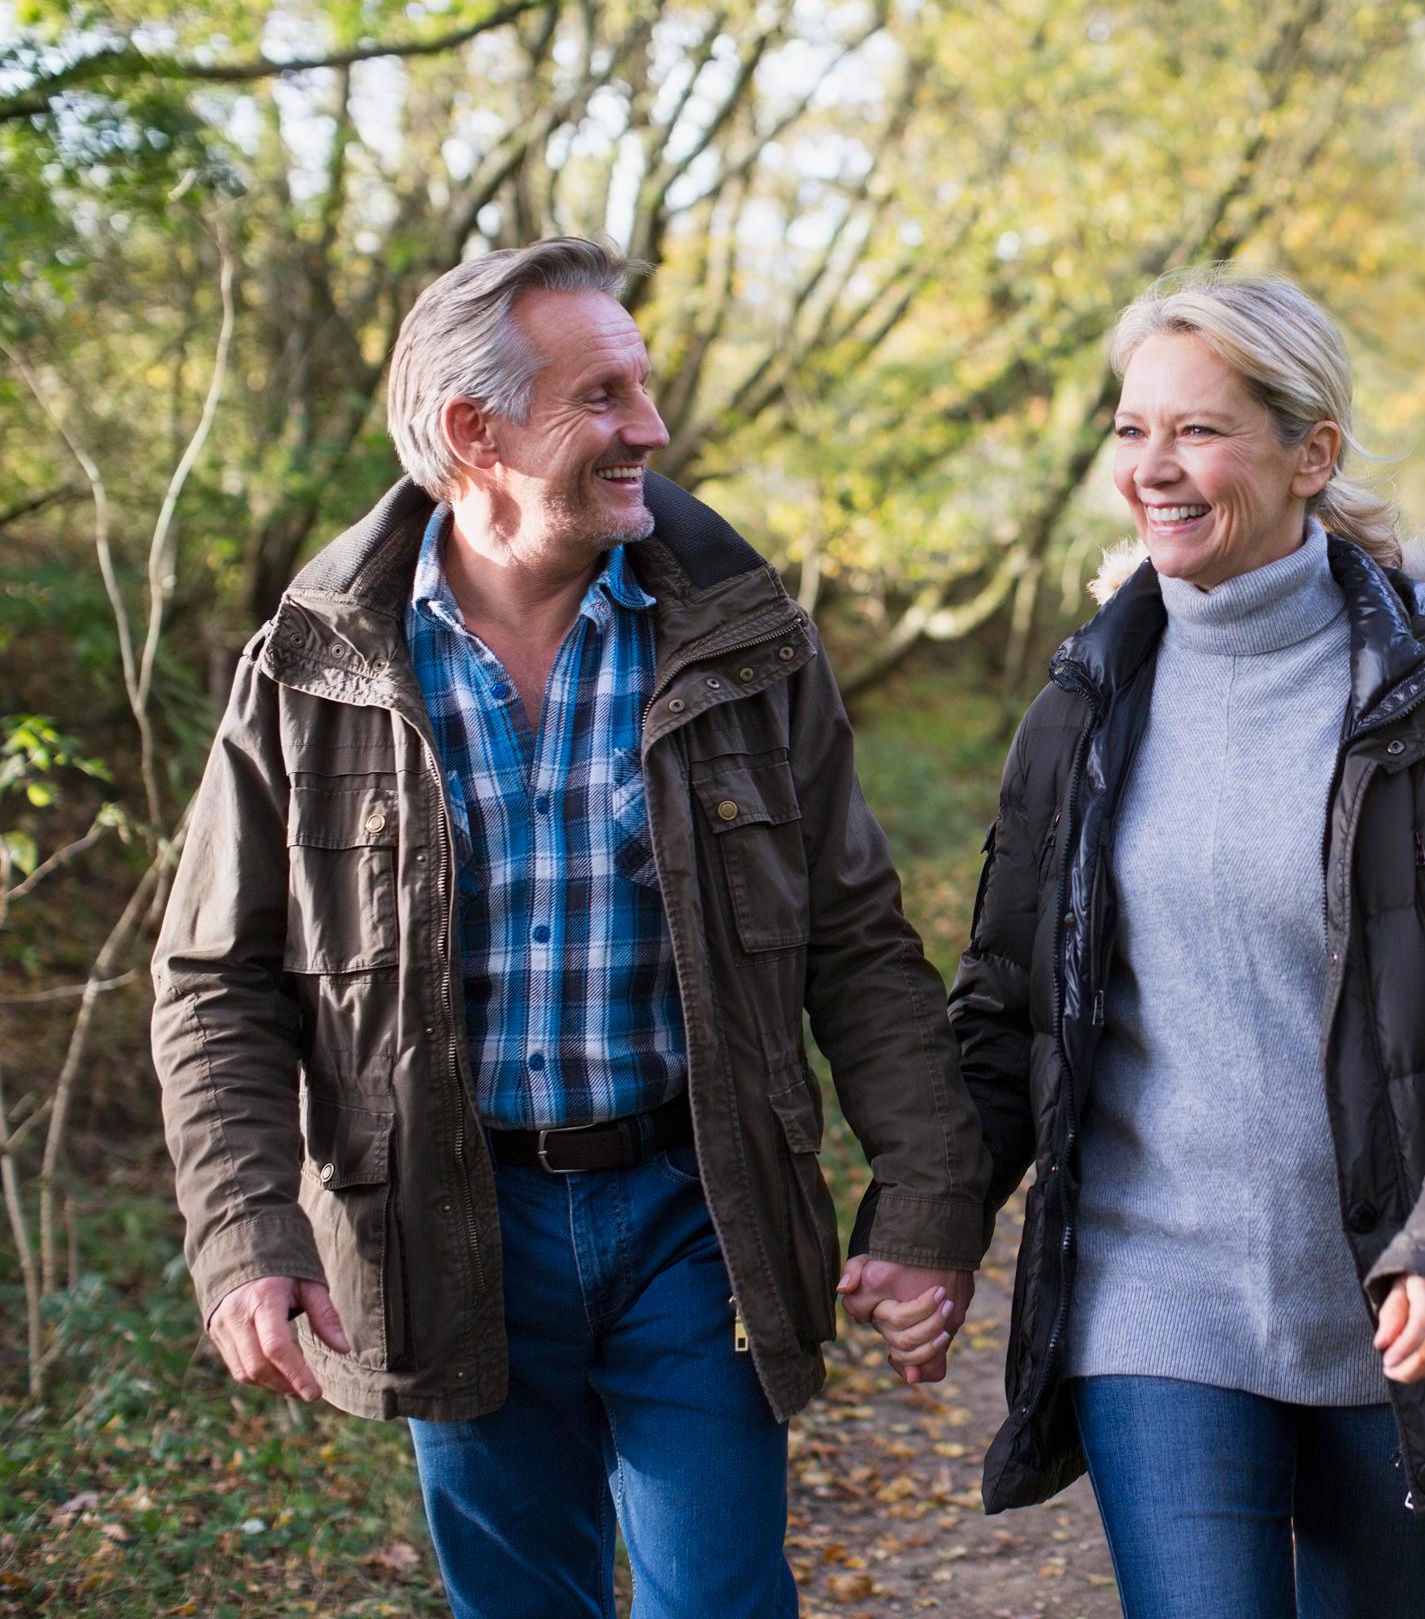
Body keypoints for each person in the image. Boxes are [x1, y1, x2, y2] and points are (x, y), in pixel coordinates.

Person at [152, 236, 987, 1619]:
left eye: (642, 388)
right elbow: (215, 979)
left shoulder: (740, 635)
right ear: (475, 432)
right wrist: (249, 1230)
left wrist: (926, 1197)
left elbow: (854, 939)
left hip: (691, 1206)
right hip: (441, 1216)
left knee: (719, 1595)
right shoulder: (314, 664)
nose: (649, 430)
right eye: (602, 396)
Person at [947, 269, 1425, 1617]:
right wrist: (925, 1221)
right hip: (1153, 1298)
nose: (1154, 467)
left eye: (1197, 430)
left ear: (1311, 452)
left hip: (1387, 1312)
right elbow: (1009, 1002)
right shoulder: (1089, 705)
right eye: (1132, 429)